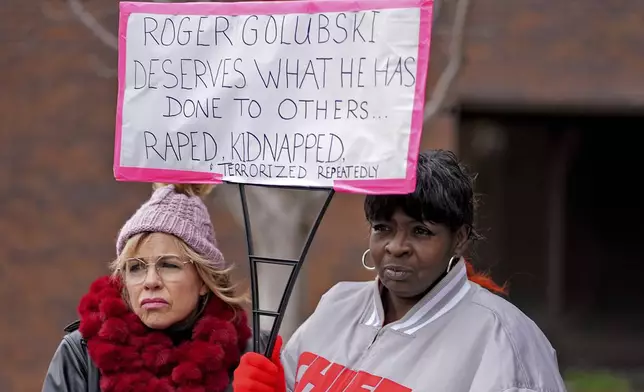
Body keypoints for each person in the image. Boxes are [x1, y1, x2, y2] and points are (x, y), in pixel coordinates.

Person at [232, 150, 567, 392]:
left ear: (459, 239)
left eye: (420, 231)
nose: (396, 246)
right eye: (383, 228)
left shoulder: (503, 339)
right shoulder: (338, 304)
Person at [43, 183, 265, 392]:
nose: (150, 281)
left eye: (169, 265)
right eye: (135, 268)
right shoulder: (81, 355)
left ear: (204, 281)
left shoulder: (253, 355)